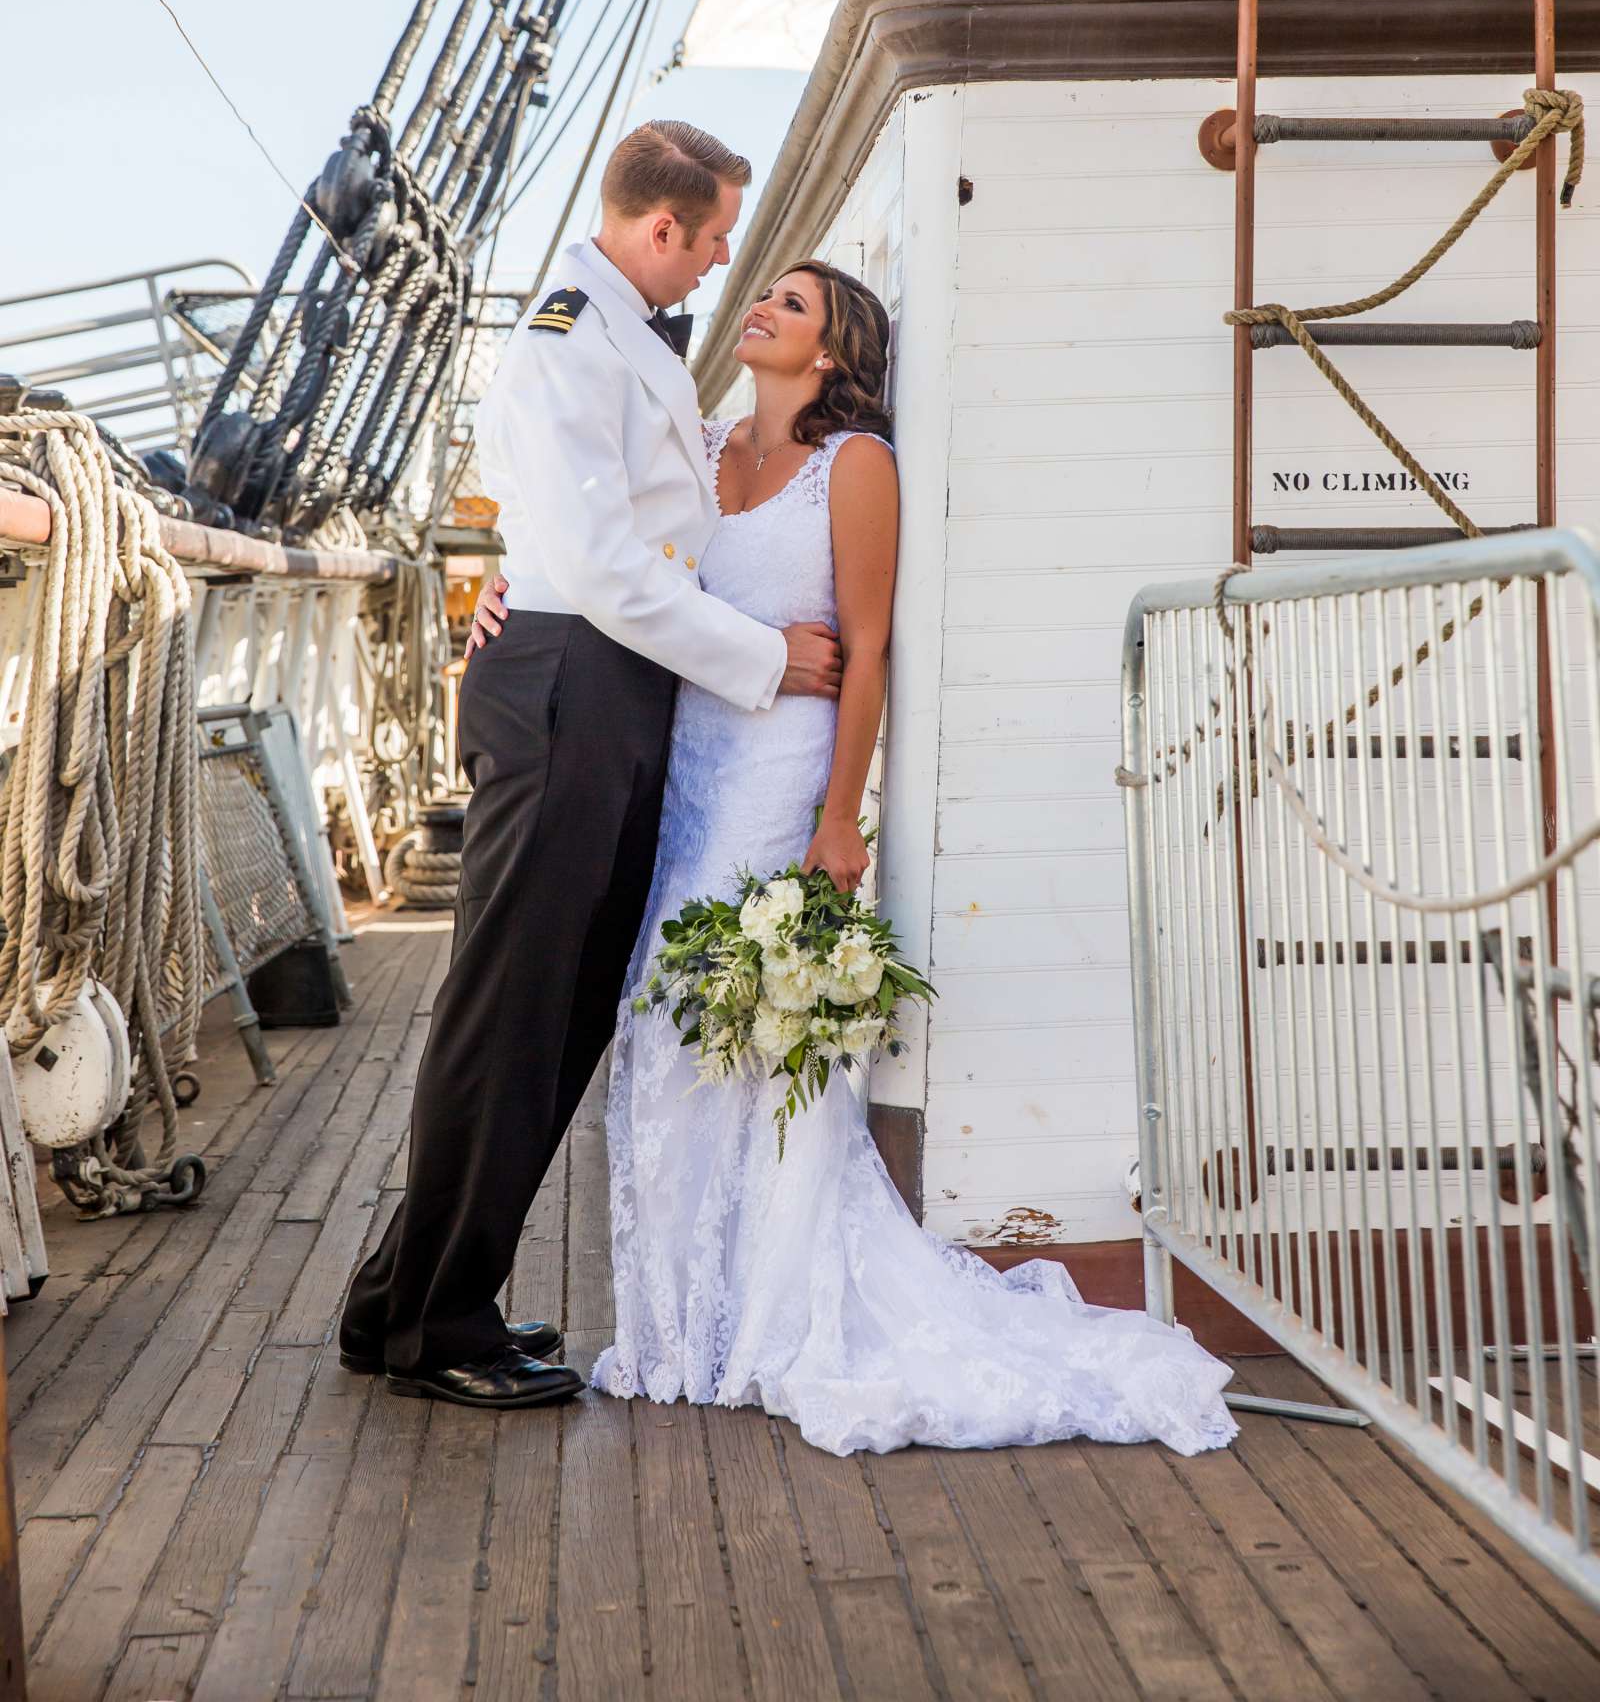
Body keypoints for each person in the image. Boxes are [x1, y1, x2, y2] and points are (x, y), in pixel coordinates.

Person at [471, 255, 1237, 1457]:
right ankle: (677, 1328)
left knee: (759, 1039)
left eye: (791, 306)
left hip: (782, 774)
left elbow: (866, 653)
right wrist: (511, 591)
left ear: (829, 352)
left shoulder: (856, 465)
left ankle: (768, 1321)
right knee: (667, 1036)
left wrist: (842, 818)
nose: (760, 310)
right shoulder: (703, 445)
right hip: (680, 767)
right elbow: (594, 543)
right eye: (764, 295)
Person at [339, 122, 843, 1407]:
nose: (723, 259)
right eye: (717, 236)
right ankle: (439, 1330)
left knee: (553, 1014)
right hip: (573, 679)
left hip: (602, 676)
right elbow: (610, 565)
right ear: (661, 229)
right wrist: (764, 659)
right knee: (511, 1012)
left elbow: (603, 534)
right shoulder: (572, 337)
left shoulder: (624, 335)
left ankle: (402, 1298)